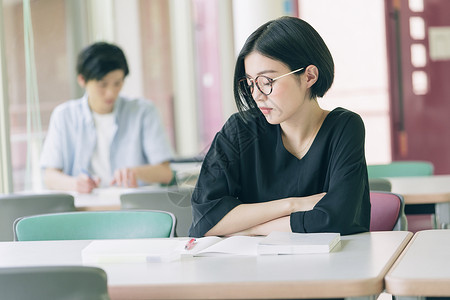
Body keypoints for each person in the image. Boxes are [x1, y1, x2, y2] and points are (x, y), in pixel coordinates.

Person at [189, 16, 370, 238]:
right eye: (250, 83)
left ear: (309, 76)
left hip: (328, 269)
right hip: (253, 271)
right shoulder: (239, 130)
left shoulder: (344, 128)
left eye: (267, 82)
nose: (256, 95)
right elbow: (203, 221)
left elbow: (337, 220)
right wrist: (292, 205)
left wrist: (249, 229)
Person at [40, 42, 174, 193]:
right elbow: (49, 176)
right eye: (102, 84)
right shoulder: (64, 116)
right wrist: (75, 184)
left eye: (117, 83)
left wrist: (134, 173)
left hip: (133, 208)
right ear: (82, 80)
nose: (111, 92)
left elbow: (166, 173)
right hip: (83, 209)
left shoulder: (143, 112)